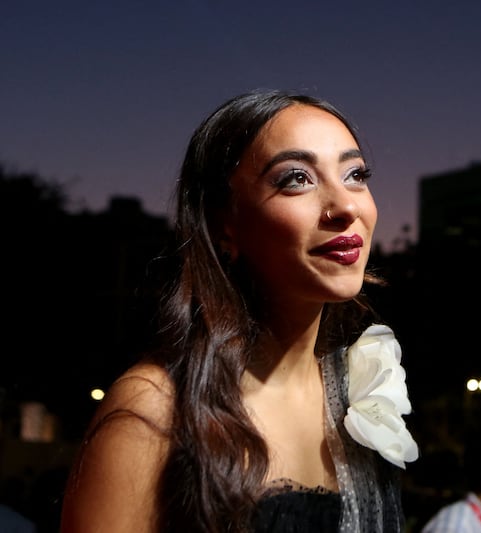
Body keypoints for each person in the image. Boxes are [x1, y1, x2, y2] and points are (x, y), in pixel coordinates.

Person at [60, 89, 419, 532]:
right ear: (222, 224)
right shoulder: (155, 412)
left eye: (355, 174)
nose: (346, 206)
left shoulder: (359, 393)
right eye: (296, 178)